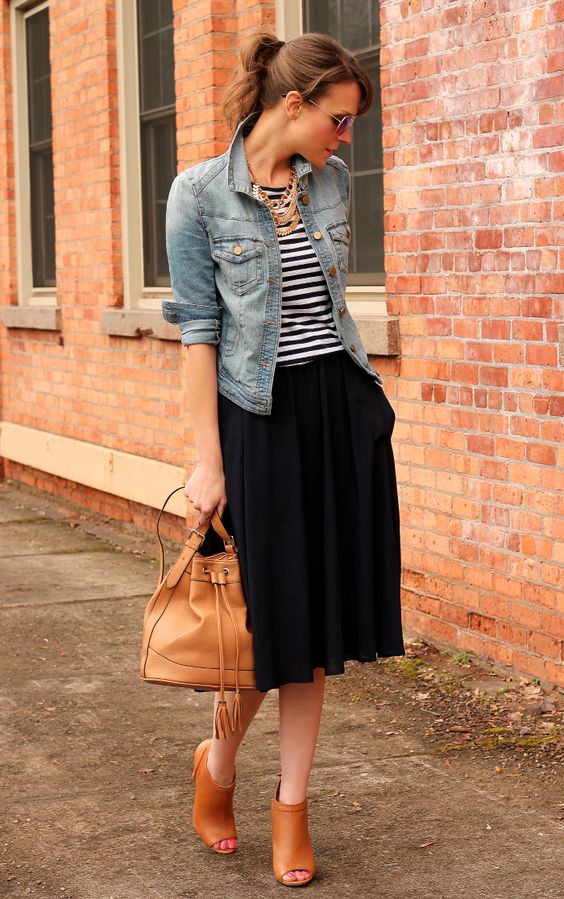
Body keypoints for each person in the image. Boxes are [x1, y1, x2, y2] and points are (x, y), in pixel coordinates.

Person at [163, 29, 405, 887]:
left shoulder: (329, 184)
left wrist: (370, 409)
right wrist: (209, 460)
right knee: (266, 628)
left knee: (319, 632)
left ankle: (291, 807)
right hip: (256, 422)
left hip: (337, 411)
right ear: (293, 104)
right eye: (340, 121)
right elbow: (199, 333)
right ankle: (217, 765)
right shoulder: (196, 195)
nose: (348, 139)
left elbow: (334, 308)